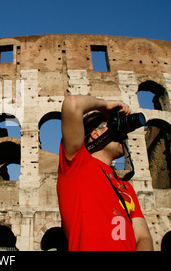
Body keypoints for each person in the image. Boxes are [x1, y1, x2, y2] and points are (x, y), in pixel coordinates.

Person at [57, 95, 153, 251]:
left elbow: (143, 236)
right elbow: (72, 104)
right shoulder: (76, 165)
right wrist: (105, 106)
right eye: (113, 126)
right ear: (95, 134)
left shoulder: (126, 187)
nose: (123, 134)